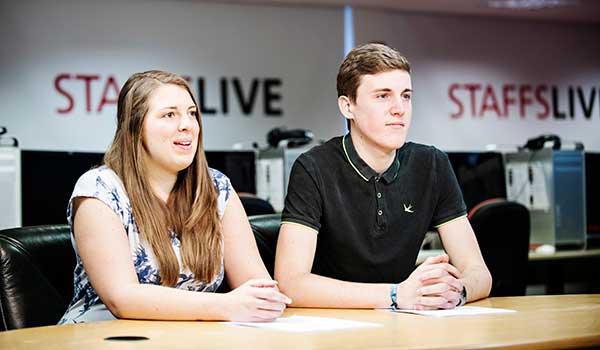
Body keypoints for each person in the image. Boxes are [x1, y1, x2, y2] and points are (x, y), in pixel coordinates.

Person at [59, 70, 290, 324]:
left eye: (192, 113)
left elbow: (257, 287)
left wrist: (265, 302)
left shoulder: (216, 187)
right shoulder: (99, 189)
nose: (187, 125)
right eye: (169, 115)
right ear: (135, 127)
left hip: (192, 335)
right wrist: (226, 305)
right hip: (107, 336)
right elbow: (122, 298)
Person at [274, 43, 492, 310]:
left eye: (406, 96)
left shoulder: (432, 164)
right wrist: (395, 295)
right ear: (347, 106)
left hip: (407, 323)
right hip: (335, 328)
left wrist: (456, 292)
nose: (399, 108)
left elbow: (479, 273)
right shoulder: (313, 167)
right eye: (383, 96)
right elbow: (290, 283)